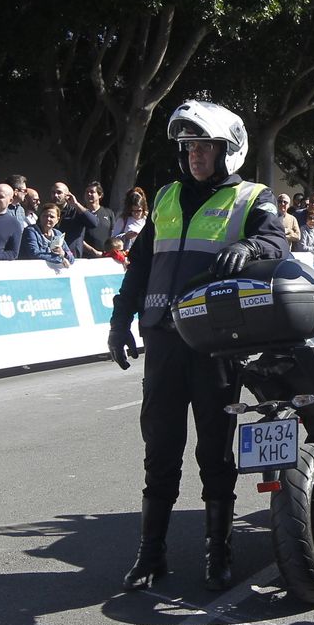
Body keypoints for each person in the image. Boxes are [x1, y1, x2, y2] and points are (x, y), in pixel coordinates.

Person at [107, 100, 289, 593]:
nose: (194, 156)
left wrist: (249, 248)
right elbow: (140, 264)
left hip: (215, 342)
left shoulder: (253, 197)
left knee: (215, 452)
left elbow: (277, 245)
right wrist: (121, 320)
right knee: (160, 450)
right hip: (164, 339)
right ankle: (151, 554)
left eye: (204, 146)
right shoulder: (165, 196)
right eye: (188, 148)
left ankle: (219, 553)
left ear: (228, 150)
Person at [20, 200, 82, 267]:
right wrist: (60, 259)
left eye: (52, 217)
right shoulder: (31, 231)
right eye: (45, 216)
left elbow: (71, 256)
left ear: (57, 219)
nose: (48, 219)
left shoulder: (57, 234)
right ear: (40, 217)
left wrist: (63, 253)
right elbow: (34, 254)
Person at [113, 187, 149, 252]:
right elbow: (112, 240)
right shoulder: (124, 219)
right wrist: (126, 236)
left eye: (139, 211)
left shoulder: (147, 218)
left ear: (143, 208)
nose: (136, 213)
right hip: (127, 254)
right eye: (133, 211)